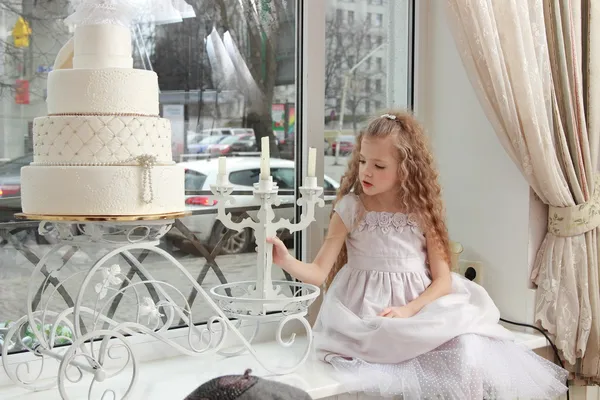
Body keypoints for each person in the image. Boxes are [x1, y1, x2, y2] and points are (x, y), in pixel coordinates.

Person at [267, 111, 569, 399]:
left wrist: (410, 309)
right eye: (362, 161)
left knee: (467, 350)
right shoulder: (350, 208)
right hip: (366, 312)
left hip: (420, 307)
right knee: (385, 354)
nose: (366, 171)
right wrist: (285, 260)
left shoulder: (421, 212)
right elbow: (319, 272)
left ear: (406, 170)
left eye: (379, 165)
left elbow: (442, 282)